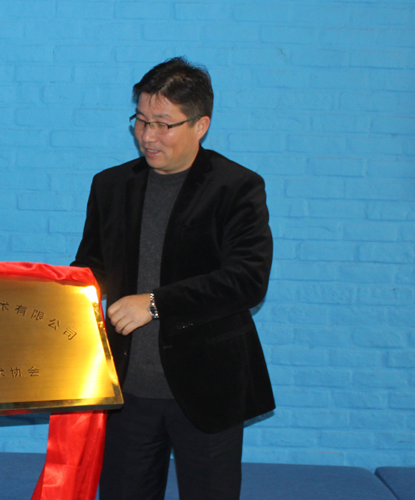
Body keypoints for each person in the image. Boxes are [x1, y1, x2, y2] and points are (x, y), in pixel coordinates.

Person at [72, 57, 275, 500]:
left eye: (163, 124)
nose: (147, 136)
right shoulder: (110, 186)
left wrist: (153, 303)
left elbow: (247, 280)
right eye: (141, 120)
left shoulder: (237, 187)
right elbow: (89, 269)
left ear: (201, 125)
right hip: (127, 391)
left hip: (208, 390)